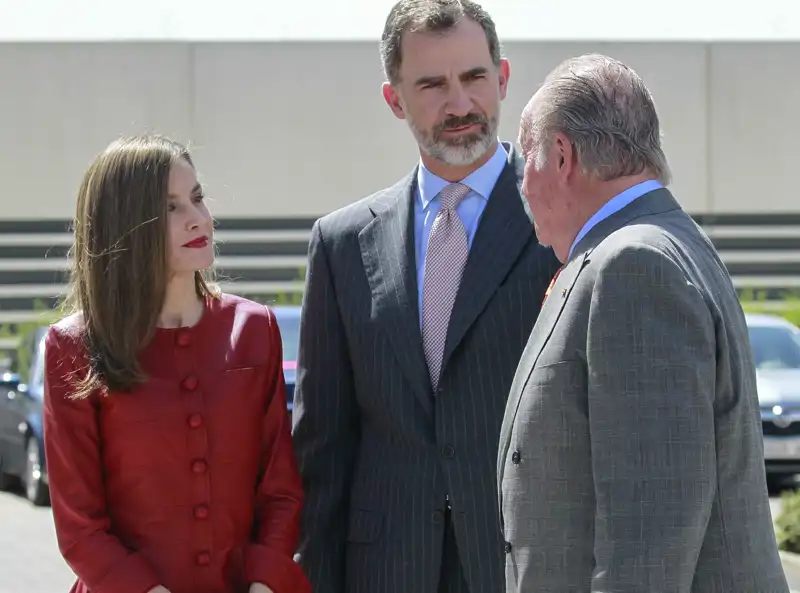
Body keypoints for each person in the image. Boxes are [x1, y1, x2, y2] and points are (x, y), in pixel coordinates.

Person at [290, 1, 560, 592]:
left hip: (524, 567)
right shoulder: (340, 245)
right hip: (384, 569)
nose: (459, 104)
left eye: (473, 78)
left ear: (504, 79)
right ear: (395, 99)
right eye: (433, 84)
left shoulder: (565, 227)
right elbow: (323, 450)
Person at [497, 53, 789, 592]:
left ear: (561, 156)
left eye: (525, 162)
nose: (522, 187)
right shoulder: (662, 243)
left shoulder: (633, 265)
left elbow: (647, 543)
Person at [43, 135, 310, 593]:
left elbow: (280, 488)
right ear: (125, 225)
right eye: (170, 208)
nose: (198, 219)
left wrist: (265, 582)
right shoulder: (72, 347)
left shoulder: (254, 328)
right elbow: (80, 527)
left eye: (197, 198)